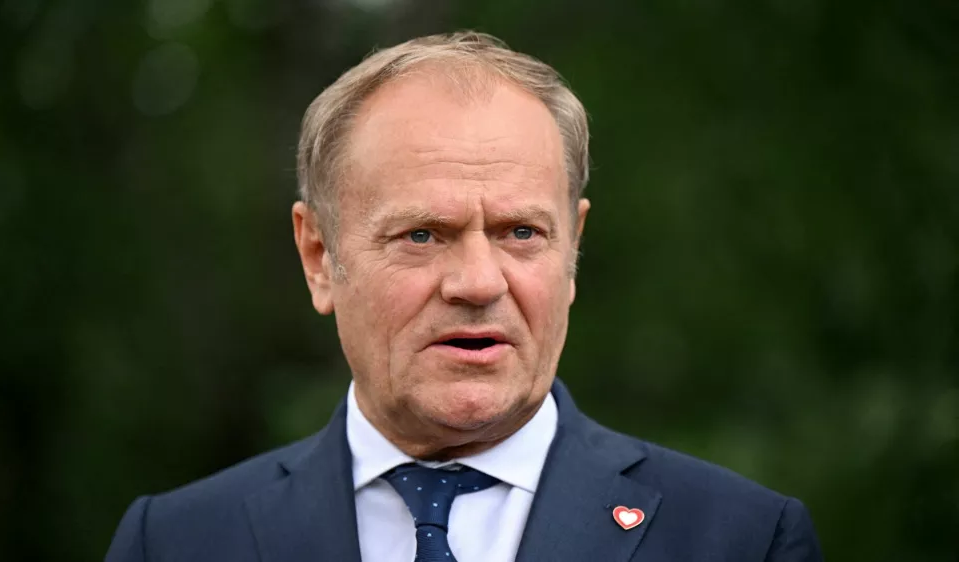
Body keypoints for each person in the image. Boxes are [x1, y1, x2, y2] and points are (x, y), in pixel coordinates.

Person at [105, 31, 823, 562]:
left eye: (520, 232)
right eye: (422, 235)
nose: (479, 283)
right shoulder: (174, 543)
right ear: (319, 257)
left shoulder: (743, 540)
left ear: (572, 247)